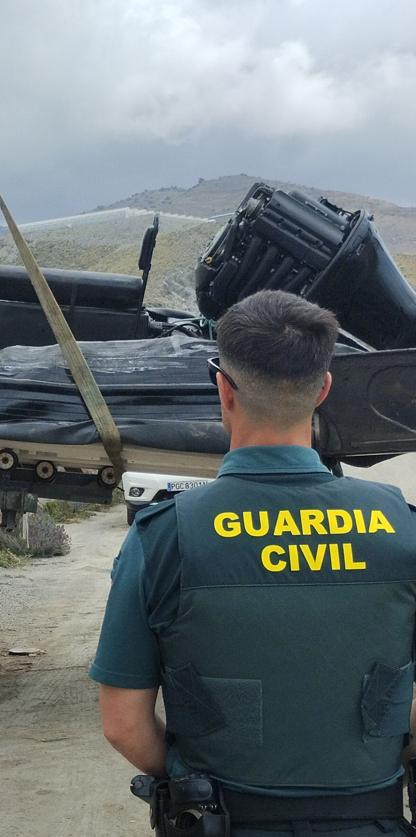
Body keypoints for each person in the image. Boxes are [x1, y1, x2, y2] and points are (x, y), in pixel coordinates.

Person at [91, 289, 416, 835]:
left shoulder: (166, 535)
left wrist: (186, 779)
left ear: (223, 385)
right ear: (325, 389)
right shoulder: (402, 526)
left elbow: (124, 724)